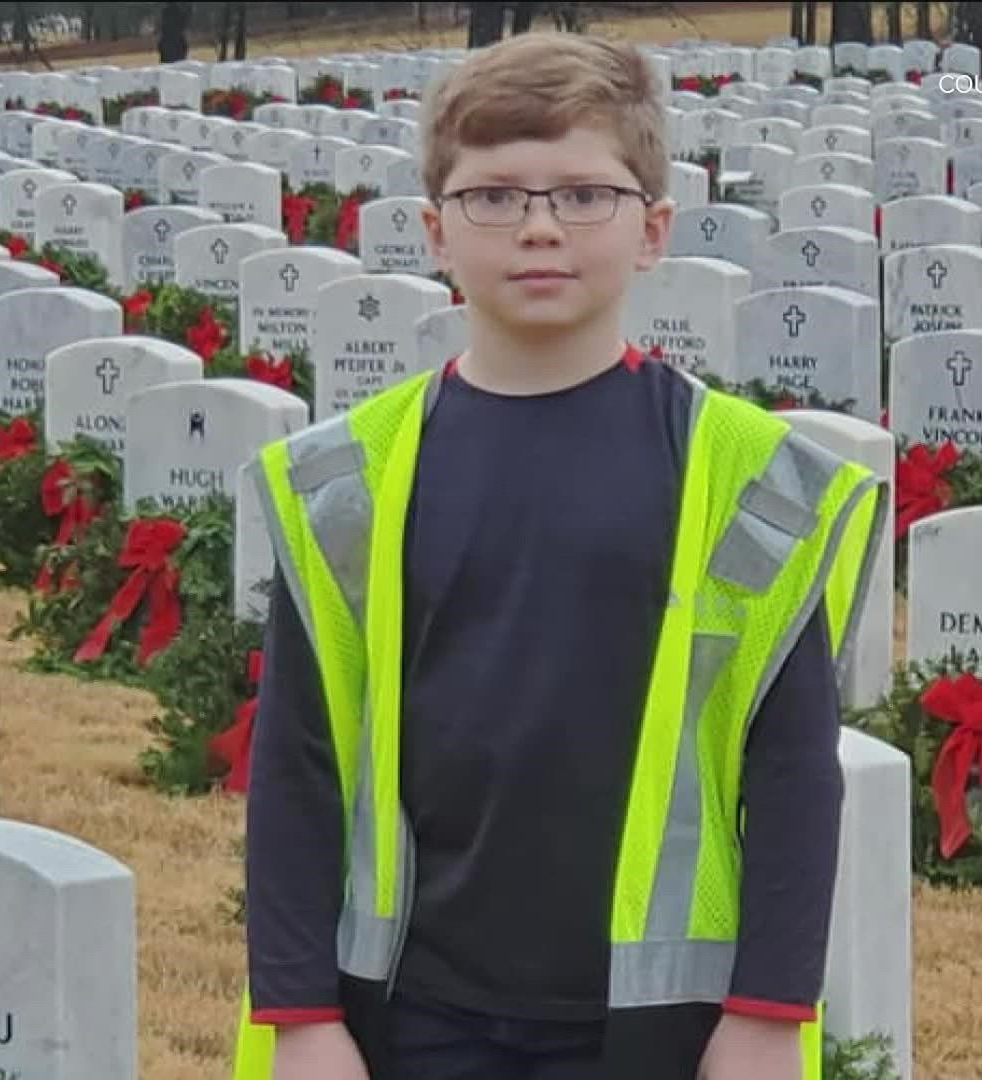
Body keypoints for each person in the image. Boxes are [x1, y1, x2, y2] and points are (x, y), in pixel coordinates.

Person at [229, 30, 887, 1080]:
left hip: (661, 1016)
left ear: (654, 229)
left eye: (585, 195)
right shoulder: (352, 476)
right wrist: (300, 1015)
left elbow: (794, 765)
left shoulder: (742, 474)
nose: (540, 227)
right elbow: (300, 760)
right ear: (437, 233)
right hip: (411, 1006)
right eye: (496, 197)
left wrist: (768, 1011)